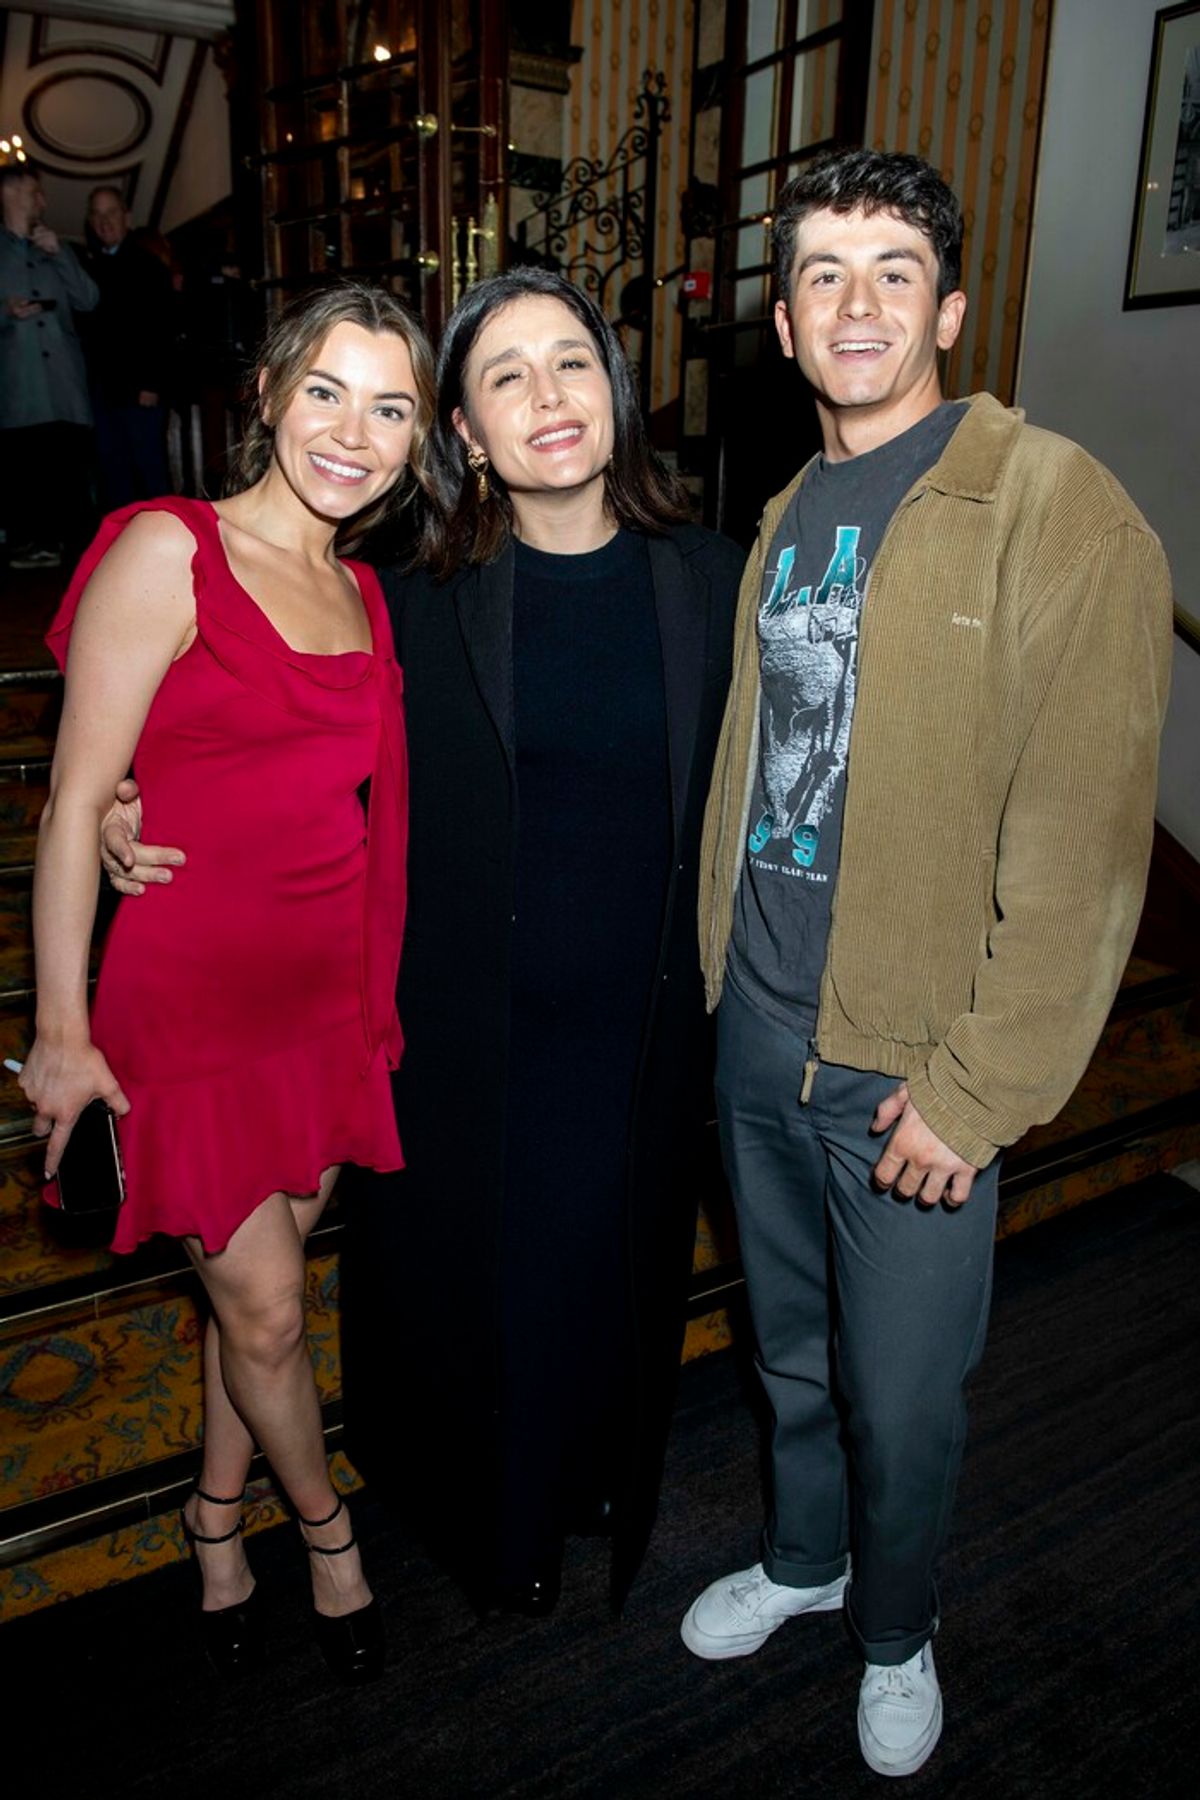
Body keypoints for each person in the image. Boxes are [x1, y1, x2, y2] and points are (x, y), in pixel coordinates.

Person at [104, 267, 744, 1615]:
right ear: (462, 430)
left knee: (609, 1275)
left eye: (569, 363)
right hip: (459, 1026)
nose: (545, 399)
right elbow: (259, 714)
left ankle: (591, 1490)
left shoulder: (713, 580)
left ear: (617, 391)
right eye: (503, 377)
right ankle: (483, 1523)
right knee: (480, 1289)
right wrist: (126, 807)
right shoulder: (408, 591)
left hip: (643, 1024)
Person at [680, 149, 1174, 1776]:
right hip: (759, 1031)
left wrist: (976, 1093)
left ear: (952, 307)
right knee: (792, 1359)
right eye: (824, 272)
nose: (858, 302)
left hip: (914, 1067)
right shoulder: (786, 514)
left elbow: (1087, 848)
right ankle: (811, 1566)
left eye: (895, 270)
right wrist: (718, 995)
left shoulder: (1056, 509)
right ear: (786, 318)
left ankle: (899, 1625)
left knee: (905, 1400)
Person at [19, 281, 435, 1684]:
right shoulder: (164, 548)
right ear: (265, 393)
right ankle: (327, 1534)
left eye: (391, 408)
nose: (352, 432)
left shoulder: (368, 590)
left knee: (247, 1291)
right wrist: (62, 1034)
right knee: (263, 1307)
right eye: (327, 390)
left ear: (417, 441)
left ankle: (212, 1515)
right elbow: (77, 801)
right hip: (186, 1009)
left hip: (325, 1003)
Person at [0, 162, 98, 569]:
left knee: (72, 478)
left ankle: (82, 562)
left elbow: (89, 300)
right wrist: (4, 311)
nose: (43, 200)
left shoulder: (58, 248)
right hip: (19, 388)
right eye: (35, 191)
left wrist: (61, 256)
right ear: (10, 192)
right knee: (27, 474)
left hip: (65, 387)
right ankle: (32, 548)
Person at [81, 185, 174, 507]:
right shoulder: (90, 268)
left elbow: (162, 330)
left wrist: (151, 384)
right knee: (114, 472)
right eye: (97, 213)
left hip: (140, 392)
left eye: (111, 212)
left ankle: (172, 545)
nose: (104, 221)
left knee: (150, 472)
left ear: (126, 217)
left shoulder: (148, 266)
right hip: (103, 393)